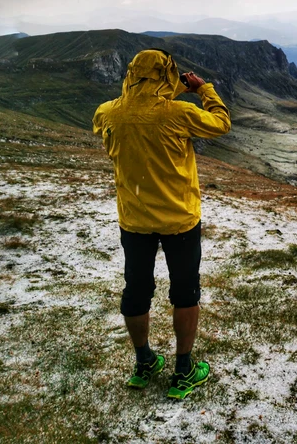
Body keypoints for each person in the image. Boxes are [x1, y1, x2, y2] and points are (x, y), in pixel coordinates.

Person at [93, 49, 230, 399]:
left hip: (134, 219)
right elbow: (221, 123)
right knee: (185, 292)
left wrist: (164, 96)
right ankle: (183, 370)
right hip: (179, 219)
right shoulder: (180, 114)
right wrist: (202, 89)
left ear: (131, 75)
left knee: (136, 291)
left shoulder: (108, 113)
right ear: (168, 75)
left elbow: (132, 115)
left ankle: (144, 361)